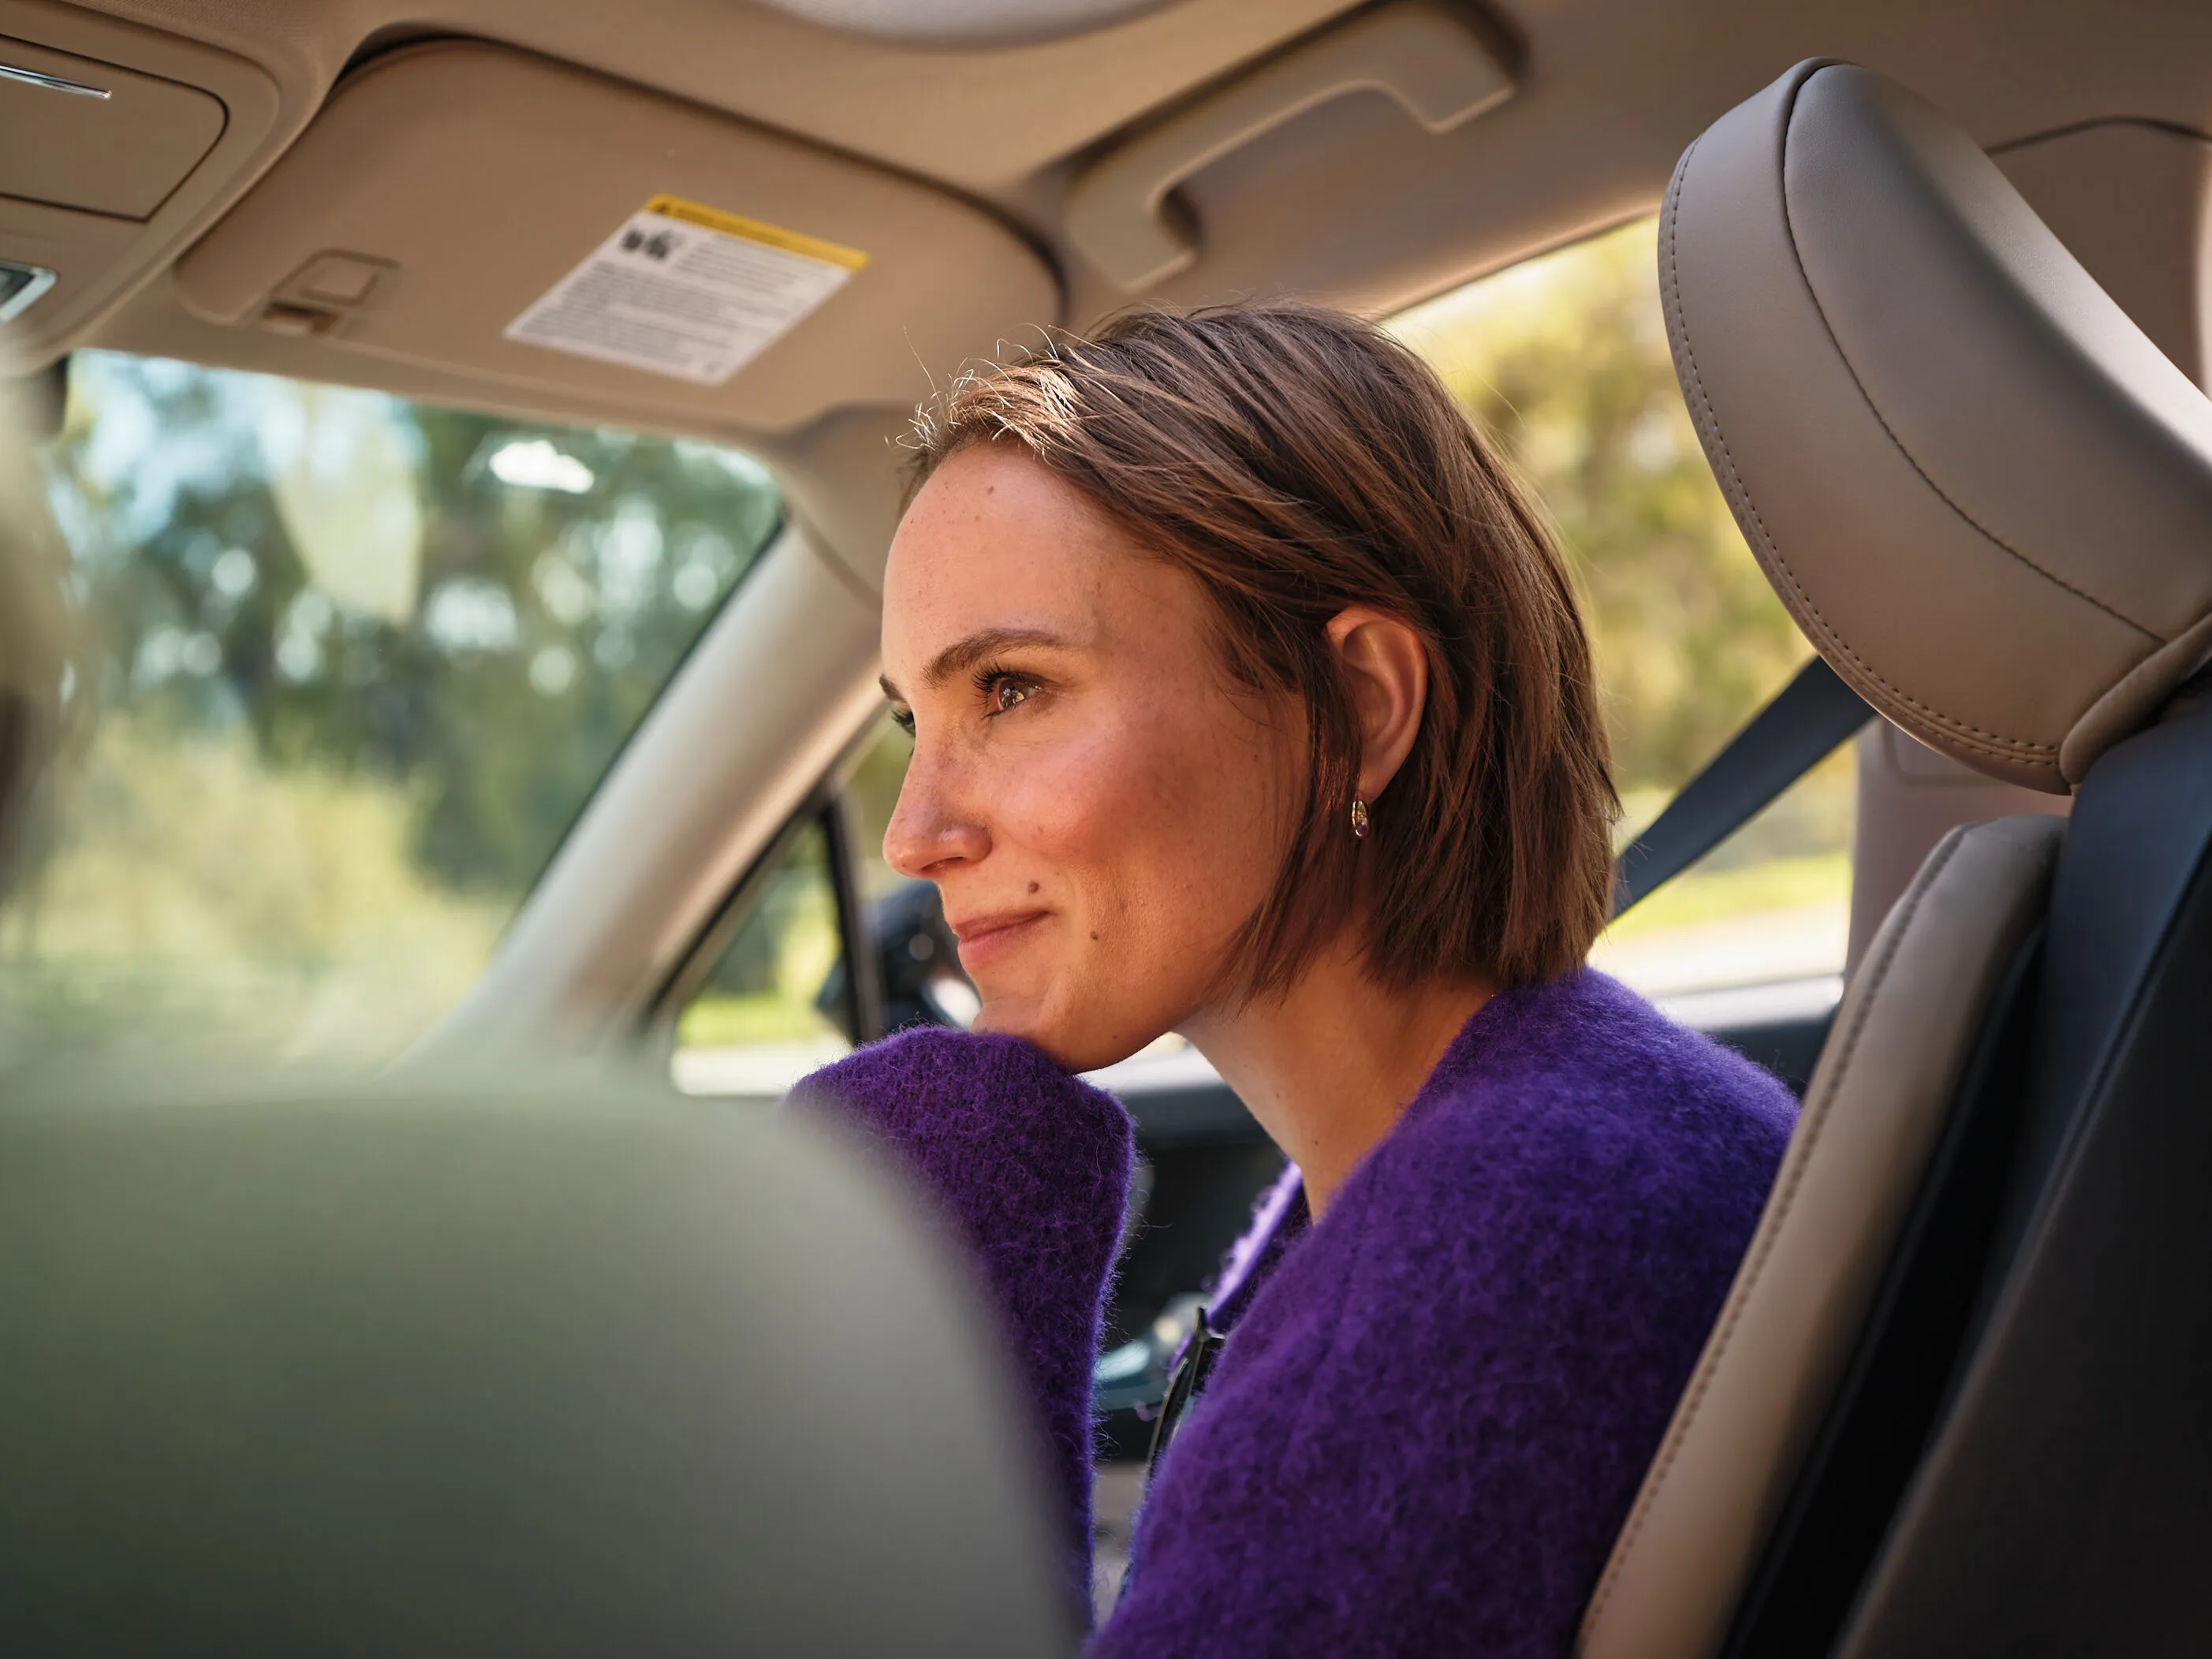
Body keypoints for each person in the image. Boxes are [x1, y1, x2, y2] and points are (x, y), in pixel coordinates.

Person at [787, 304, 1795, 1657]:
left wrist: (925, 1259)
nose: (916, 832)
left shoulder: (1505, 1257)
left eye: (1013, 691)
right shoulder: (1554, 1138)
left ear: (1360, 709)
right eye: (920, 721)